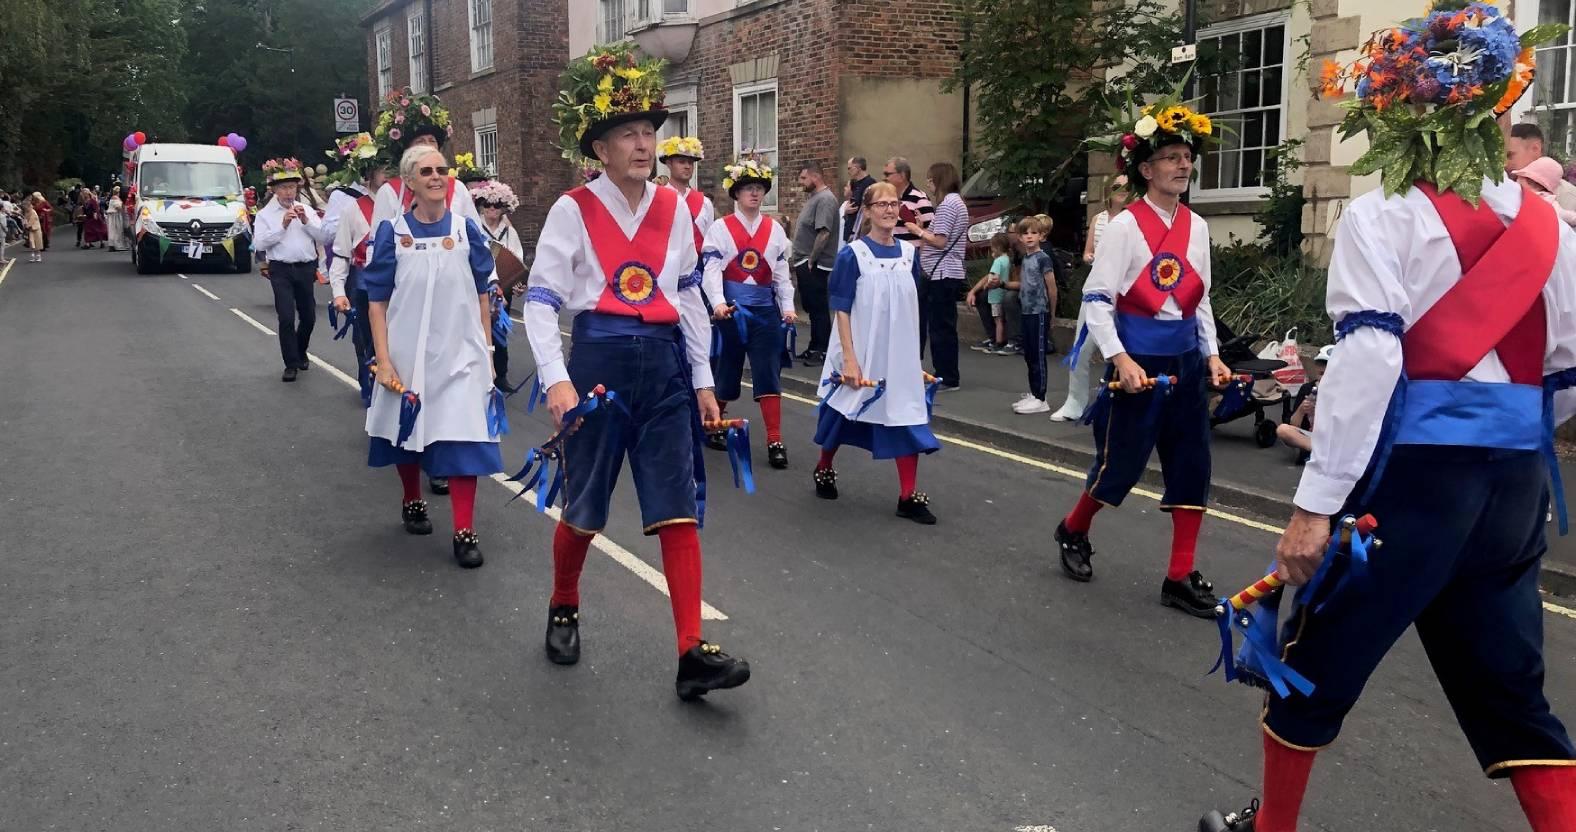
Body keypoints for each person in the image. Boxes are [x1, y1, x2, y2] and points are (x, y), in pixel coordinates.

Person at [1204, 10, 1576, 829]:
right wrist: (1513, 428)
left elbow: (1370, 365)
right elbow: (1567, 371)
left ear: (1403, 113)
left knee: (1314, 666)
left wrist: (1314, 504)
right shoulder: (1554, 225)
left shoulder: (1384, 216)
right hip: (1515, 485)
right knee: (1512, 692)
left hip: (1413, 485)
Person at [523, 43, 750, 700]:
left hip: (662, 365)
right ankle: (564, 603)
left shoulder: (676, 208)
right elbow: (539, 300)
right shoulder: (573, 209)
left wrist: (703, 379)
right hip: (598, 360)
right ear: (600, 148)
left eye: (650, 132)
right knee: (586, 503)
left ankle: (690, 653)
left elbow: (685, 297)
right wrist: (555, 378)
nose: (645, 143)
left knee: (677, 505)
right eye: (628, 134)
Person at [1051, 93, 1231, 618]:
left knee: (1192, 465)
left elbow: (1200, 299)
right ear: (1147, 168)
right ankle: (1074, 528)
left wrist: (1212, 354)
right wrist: (1121, 358)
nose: (1184, 165)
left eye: (1187, 157)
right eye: (1172, 157)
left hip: (1186, 364)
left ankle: (1178, 576)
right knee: (1120, 465)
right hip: (1136, 363)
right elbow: (1097, 300)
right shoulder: (1125, 226)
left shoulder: (1196, 227)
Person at [362, 145, 502, 571]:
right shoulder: (392, 233)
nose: (437, 176)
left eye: (442, 169)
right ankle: (412, 499)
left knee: (464, 437)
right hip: (408, 354)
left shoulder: (465, 229)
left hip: (461, 353)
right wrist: (383, 360)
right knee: (408, 432)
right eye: (427, 171)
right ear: (410, 181)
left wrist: (488, 350)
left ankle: (464, 530)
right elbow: (377, 302)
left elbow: (481, 291)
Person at [812, 181, 941, 524]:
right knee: (843, 412)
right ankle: (824, 467)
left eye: (894, 203)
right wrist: (850, 359)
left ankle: (907, 495)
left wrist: (914, 359)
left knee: (906, 413)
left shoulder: (911, 255)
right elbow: (841, 307)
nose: (889, 209)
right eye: (881, 204)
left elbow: (909, 308)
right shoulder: (852, 255)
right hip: (860, 348)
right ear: (866, 212)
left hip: (898, 353)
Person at [371, 90, 479, 496]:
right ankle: (412, 493)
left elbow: (474, 248)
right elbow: (380, 259)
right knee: (408, 412)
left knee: (457, 420)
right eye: (422, 150)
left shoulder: (460, 195)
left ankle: (451, 492)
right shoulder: (389, 199)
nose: (435, 170)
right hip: (407, 318)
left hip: (453, 326)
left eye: (437, 151)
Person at [703, 157, 795, 469]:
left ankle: (775, 439)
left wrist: (788, 308)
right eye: (747, 189)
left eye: (758, 189)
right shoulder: (720, 228)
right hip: (731, 310)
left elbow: (782, 274)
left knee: (768, 370)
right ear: (737, 195)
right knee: (727, 369)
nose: (754, 194)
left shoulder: (776, 230)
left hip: (765, 313)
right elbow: (711, 270)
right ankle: (714, 423)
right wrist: (717, 302)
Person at [1054, 187, 1129, 422]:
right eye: (1117, 187)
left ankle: (1118, 407)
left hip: (1126, 294)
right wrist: (1090, 258)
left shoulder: (1135, 219)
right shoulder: (1099, 219)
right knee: (1081, 348)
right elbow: (1087, 252)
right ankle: (1074, 402)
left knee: (1127, 351)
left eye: (1127, 187)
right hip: (1097, 291)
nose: (1123, 191)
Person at [327, 140, 393, 406]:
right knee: (367, 339)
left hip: (398, 285)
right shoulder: (354, 209)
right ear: (368, 175)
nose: (387, 172)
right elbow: (342, 254)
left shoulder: (405, 206)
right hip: (365, 284)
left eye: (391, 167)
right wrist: (338, 292)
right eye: (381, 168)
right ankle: (371, 384)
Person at [252, 158, 324, 383]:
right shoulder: (265, 215)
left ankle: (301, 351)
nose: (288, 192)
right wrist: (281, 226)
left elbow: (323, 237)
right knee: (285, 317)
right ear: (274, 190)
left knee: (309, 317)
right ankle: (290, 363)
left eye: (292, 187)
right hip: (281, 269)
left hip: (305, 268)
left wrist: (306, 221)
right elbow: (260, 244)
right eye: (283, 187)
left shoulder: (308, 210)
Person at [904, 161, 968, 392]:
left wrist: (917, 230)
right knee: (941, 326)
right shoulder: (953, 203)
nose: (928, 184)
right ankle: (943, 372)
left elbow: (940, 241)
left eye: (931, 180)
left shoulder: (949, 204)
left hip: (943, 273)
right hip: (944, 272)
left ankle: (947, 376)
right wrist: (925, 228)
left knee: (941, 327)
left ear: (939, 180)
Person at [472, 179, 524, 388]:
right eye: (487, 205)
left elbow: (518, 258)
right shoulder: (474, 228)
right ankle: (478, 373)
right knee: (477, 330)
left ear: (503, 208)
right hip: (479, 288)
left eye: (496, 205)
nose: (491, 209)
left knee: (500, 332)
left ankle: (500, 375)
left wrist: (518, 282)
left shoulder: (509, 232)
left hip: (503, 289)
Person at [1006, 216, 1059, 414]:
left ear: (1041, 236)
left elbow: (1051, 288)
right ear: (1019, 237)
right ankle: (1033, 392)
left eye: (1033, 233)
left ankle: (1041, 397)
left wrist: (1051, 313)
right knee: (1029, 353)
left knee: (1038, 354)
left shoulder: (1043, 258)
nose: (1029, 237)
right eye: (1025, 233)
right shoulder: (1026, 259)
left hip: (1039, 311)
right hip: (1027, 311)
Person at [793, 159, 839, 364]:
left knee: (819, 308)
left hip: (816, 264)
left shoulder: (825, 199)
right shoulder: (815, 198)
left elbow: (824, 232)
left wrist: (811, 260)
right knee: (812, 307)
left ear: (815, 176)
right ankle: (814, 346)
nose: (801, 182)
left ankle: (822, 349)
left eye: (804, 178)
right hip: (806, 261)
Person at [656, 135, 712, 258]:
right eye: (681, 162)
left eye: (690, 163)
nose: (687, 166)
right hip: (666, 265)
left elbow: (709, 241)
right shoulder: (657, 199)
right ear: (669, 163)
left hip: (698, 269)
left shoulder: (705, 203)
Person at [1274, 344, 1330, 462]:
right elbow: (1293, 425)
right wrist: (1301, 410)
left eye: (1328, 373)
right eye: (1321, 373)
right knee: (1283, 429)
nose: (1324, 377)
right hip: (1311, 437)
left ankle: (1317, 453)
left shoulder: (1345, 392)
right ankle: (1318, 452)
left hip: (1332, 438)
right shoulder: (1308, 389)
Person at [1506, 122, 1576, 214]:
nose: (1504, 163)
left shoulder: (1568, 197)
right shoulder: (1503, 185)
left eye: (1510, 155)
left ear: (1535, 149)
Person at [966, 233, 1011, 353]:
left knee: (997, 319)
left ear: (996, 248)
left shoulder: (998, 261)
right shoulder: (1007, 260)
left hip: (995, 295)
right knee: (1001, 318)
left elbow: (992, 277)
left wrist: (986, 286)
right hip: (1004, 292)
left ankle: (998, 342)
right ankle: (1000, 340)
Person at [1512, 156, 1576, 227]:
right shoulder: (1550, 202)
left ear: (1528, 180)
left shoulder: (1519, 196)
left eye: (1519, 177)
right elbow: (1569, 216)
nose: (1516, 180)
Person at [842, 157, 876, 243]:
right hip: (849, 228)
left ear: (858, 168)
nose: (848, 171)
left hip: (860, 232)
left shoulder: (870, 183)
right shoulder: (852, 184)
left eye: (850, 168)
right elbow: (850, 204)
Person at [105, 186, 127, 251]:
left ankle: (112, 245)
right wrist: (123, 209)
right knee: (116, 230)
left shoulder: (114, 197)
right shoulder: (116, 198)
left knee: (113, 230)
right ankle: (116, 245)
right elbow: (117, 207)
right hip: (115, 215)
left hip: (114, 215)